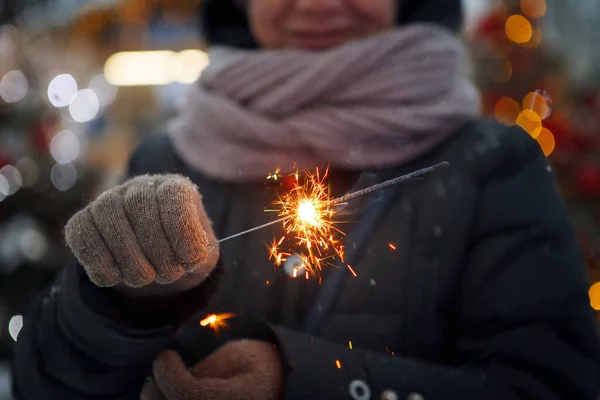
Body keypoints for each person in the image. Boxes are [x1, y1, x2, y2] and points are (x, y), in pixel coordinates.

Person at [12, 0, 600, 399]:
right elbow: (44, 382)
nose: (318, 2)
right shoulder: (167, 157)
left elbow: (553, 388)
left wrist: (301, 382)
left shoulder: (491, 163)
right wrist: (111, 308)